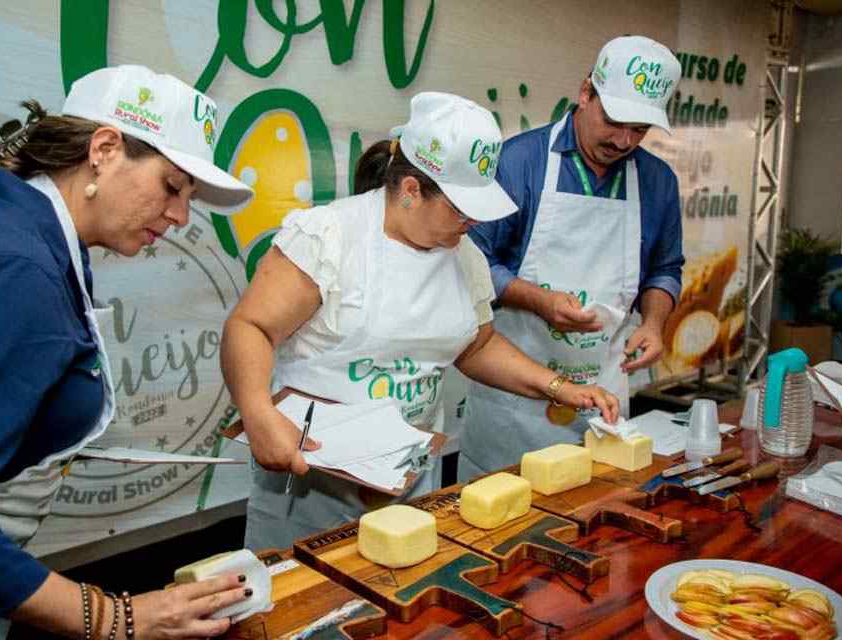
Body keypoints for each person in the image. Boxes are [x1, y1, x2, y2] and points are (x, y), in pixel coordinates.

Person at [0, 66, 256, 640]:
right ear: (103, 149)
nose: (180, 217)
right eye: (172, 187)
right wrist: (120, 618)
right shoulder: (14, 271)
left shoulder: (30, 243)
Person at [221, 91, 619, 551]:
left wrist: (558, 387)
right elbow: (249, 327)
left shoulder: (462, 254)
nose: (472, 222)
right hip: (311, 477)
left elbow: (477, 346)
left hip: (407, 474)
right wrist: (257, 411)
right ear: (411, 190)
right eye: (461, 209)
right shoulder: (330, 237)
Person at [458, 35, 685, 480]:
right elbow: (470, 263)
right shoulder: (518, 162)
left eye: (639, 130)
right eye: (614, 120)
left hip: (601, 399)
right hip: (513, 401)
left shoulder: (658, 182)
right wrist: (537, 300)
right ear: (585, 93)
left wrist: (655, 323)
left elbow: (664, 268)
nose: (623, 140)